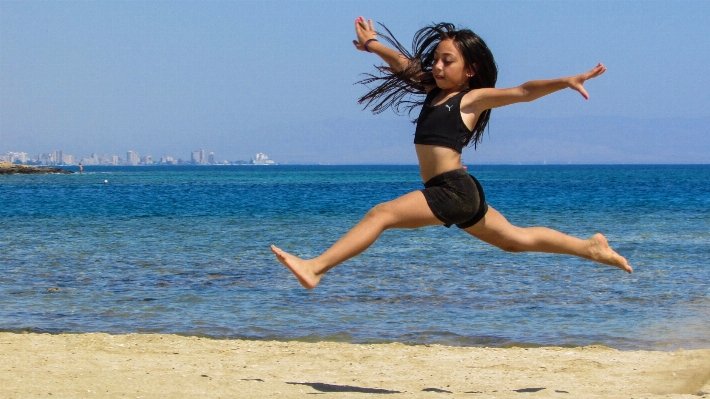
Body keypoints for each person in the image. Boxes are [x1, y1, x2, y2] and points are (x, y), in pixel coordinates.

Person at [272, 17, 632, 290]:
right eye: (436, 60)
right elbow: (403, 65)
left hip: (452, 190)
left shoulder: (471, 99)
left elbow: (522, 91)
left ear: (469, 70)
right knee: (516, 240)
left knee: (380, 214)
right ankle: (590, 248)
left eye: (448, 61)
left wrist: (566, 81)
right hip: (460, 190)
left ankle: (315, 267)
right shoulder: (433, 89)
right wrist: (373, 45)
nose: (438, 67)